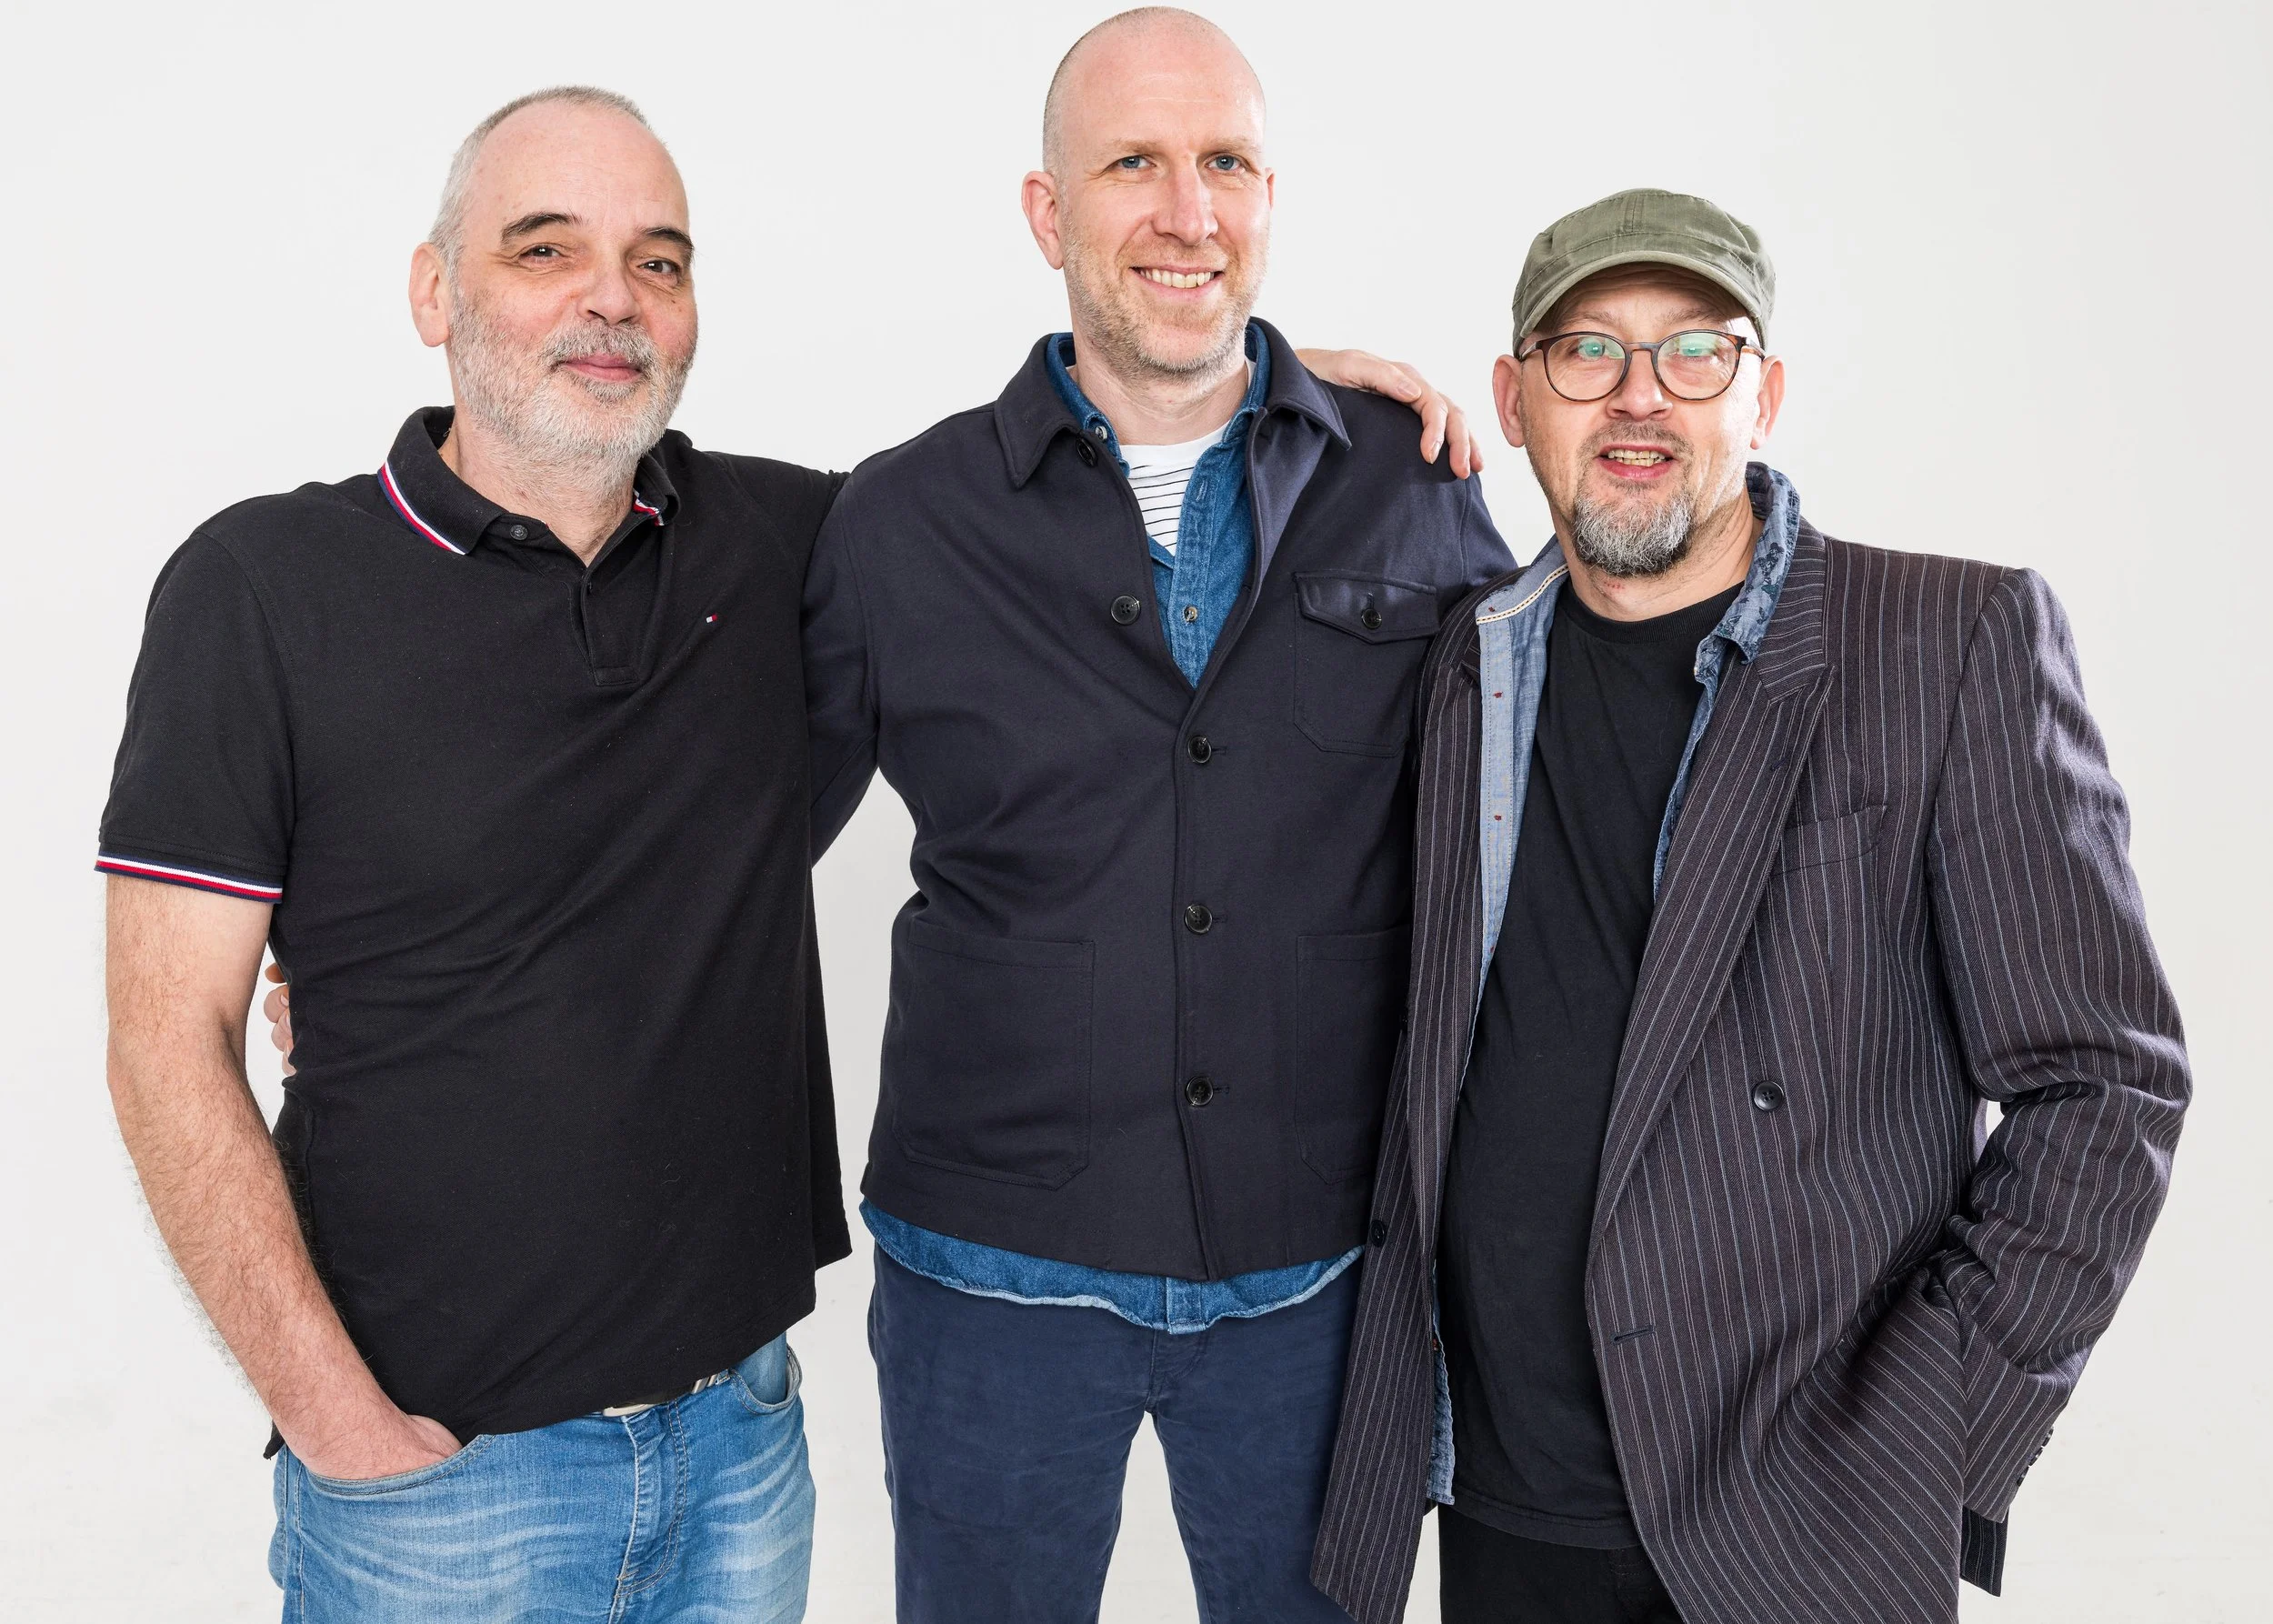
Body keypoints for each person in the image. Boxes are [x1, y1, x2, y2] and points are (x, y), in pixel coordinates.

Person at [114, 70, 1467, 1623]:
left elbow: (1097, 455)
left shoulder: (781, 539)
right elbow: (167, 1043)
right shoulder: (262, 585)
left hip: (738, 1434)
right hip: (439, 1472)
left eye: (661, 261)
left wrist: (1283, 394)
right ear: (433, 289)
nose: (610, 301)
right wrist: (346, 1432)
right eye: (543, 249)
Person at [1309, 188, 2191, 1624]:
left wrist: (1936, 1430)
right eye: (1587, 351)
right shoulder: (1462, 662)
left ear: (1763, 392)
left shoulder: (1947, 640)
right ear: (1515, 398)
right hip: (1501, 1498)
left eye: (1695, 352)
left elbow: (2107, 1077)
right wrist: (1264, 392)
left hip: (1802, 1522)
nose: (1639, 396)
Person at [801, 9, 1510, 1620]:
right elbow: (732, 838)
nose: (1188, 210)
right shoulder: (897, 522)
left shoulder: (1413, 478)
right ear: (1050, 215)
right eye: (1134, 164)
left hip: (1321, 1270)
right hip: (990, 1271)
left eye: (1227, 164)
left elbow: (1532, 803)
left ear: (1269, 200)